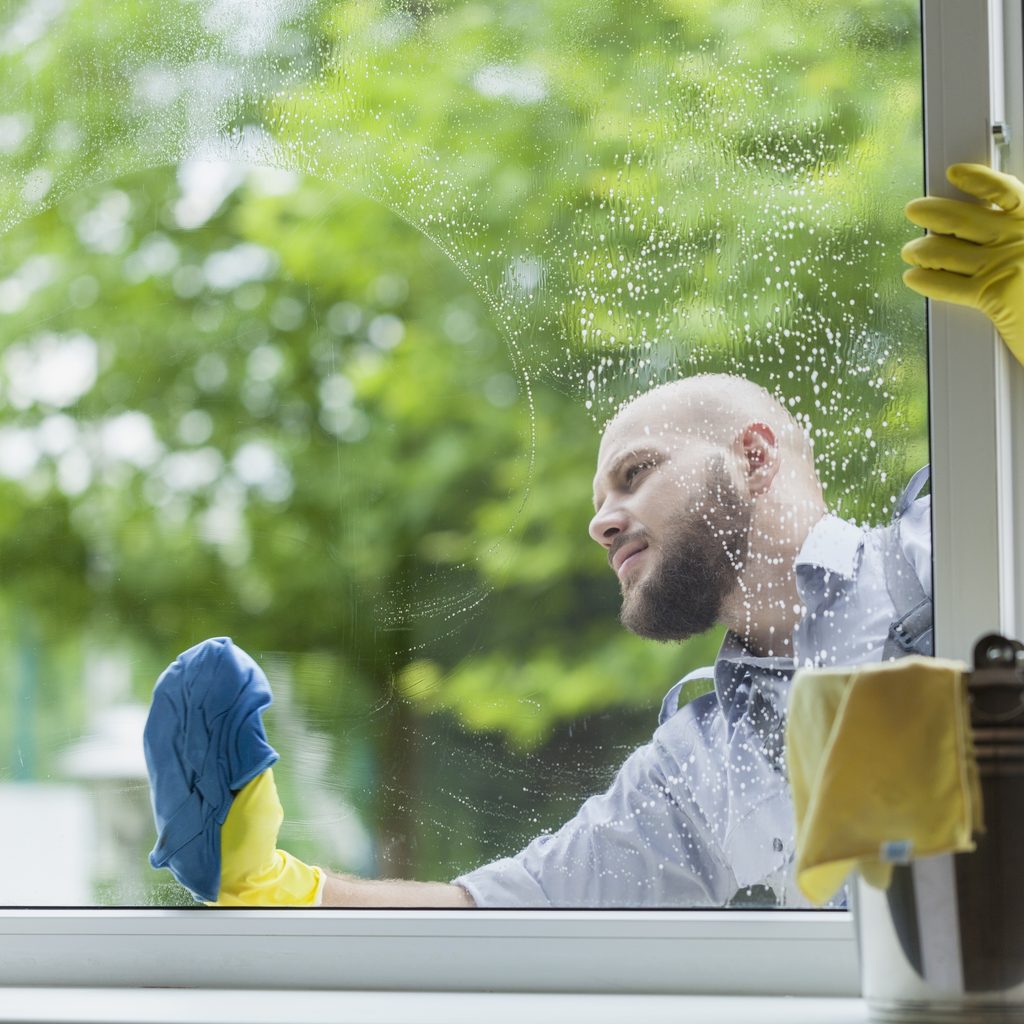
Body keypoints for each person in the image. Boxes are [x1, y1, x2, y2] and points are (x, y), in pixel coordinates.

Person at [143, 162, 1024, 909]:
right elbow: (499, 916)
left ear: (755, 458)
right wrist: (274, 883)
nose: (600, 523)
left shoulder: (950, 548)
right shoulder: (702, 765)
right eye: (601, 501)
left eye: (636, 473)